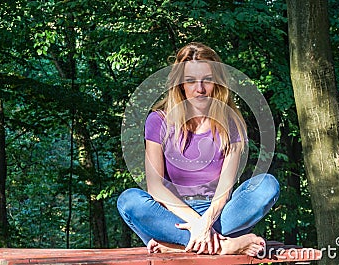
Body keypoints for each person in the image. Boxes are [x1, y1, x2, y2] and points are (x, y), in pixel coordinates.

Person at [117, 42, 280, 257]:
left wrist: (207, 224)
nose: (200, 89)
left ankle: (177, 246)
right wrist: (197, 226)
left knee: (267, 185)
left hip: (220, 214)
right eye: (191, 81)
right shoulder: (158, 121)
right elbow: (155, 189)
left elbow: (225, 191)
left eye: (207, 80)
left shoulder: (232, 123)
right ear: (180, 85)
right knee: (128, 201)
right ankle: (225, 247)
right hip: (174, 217)